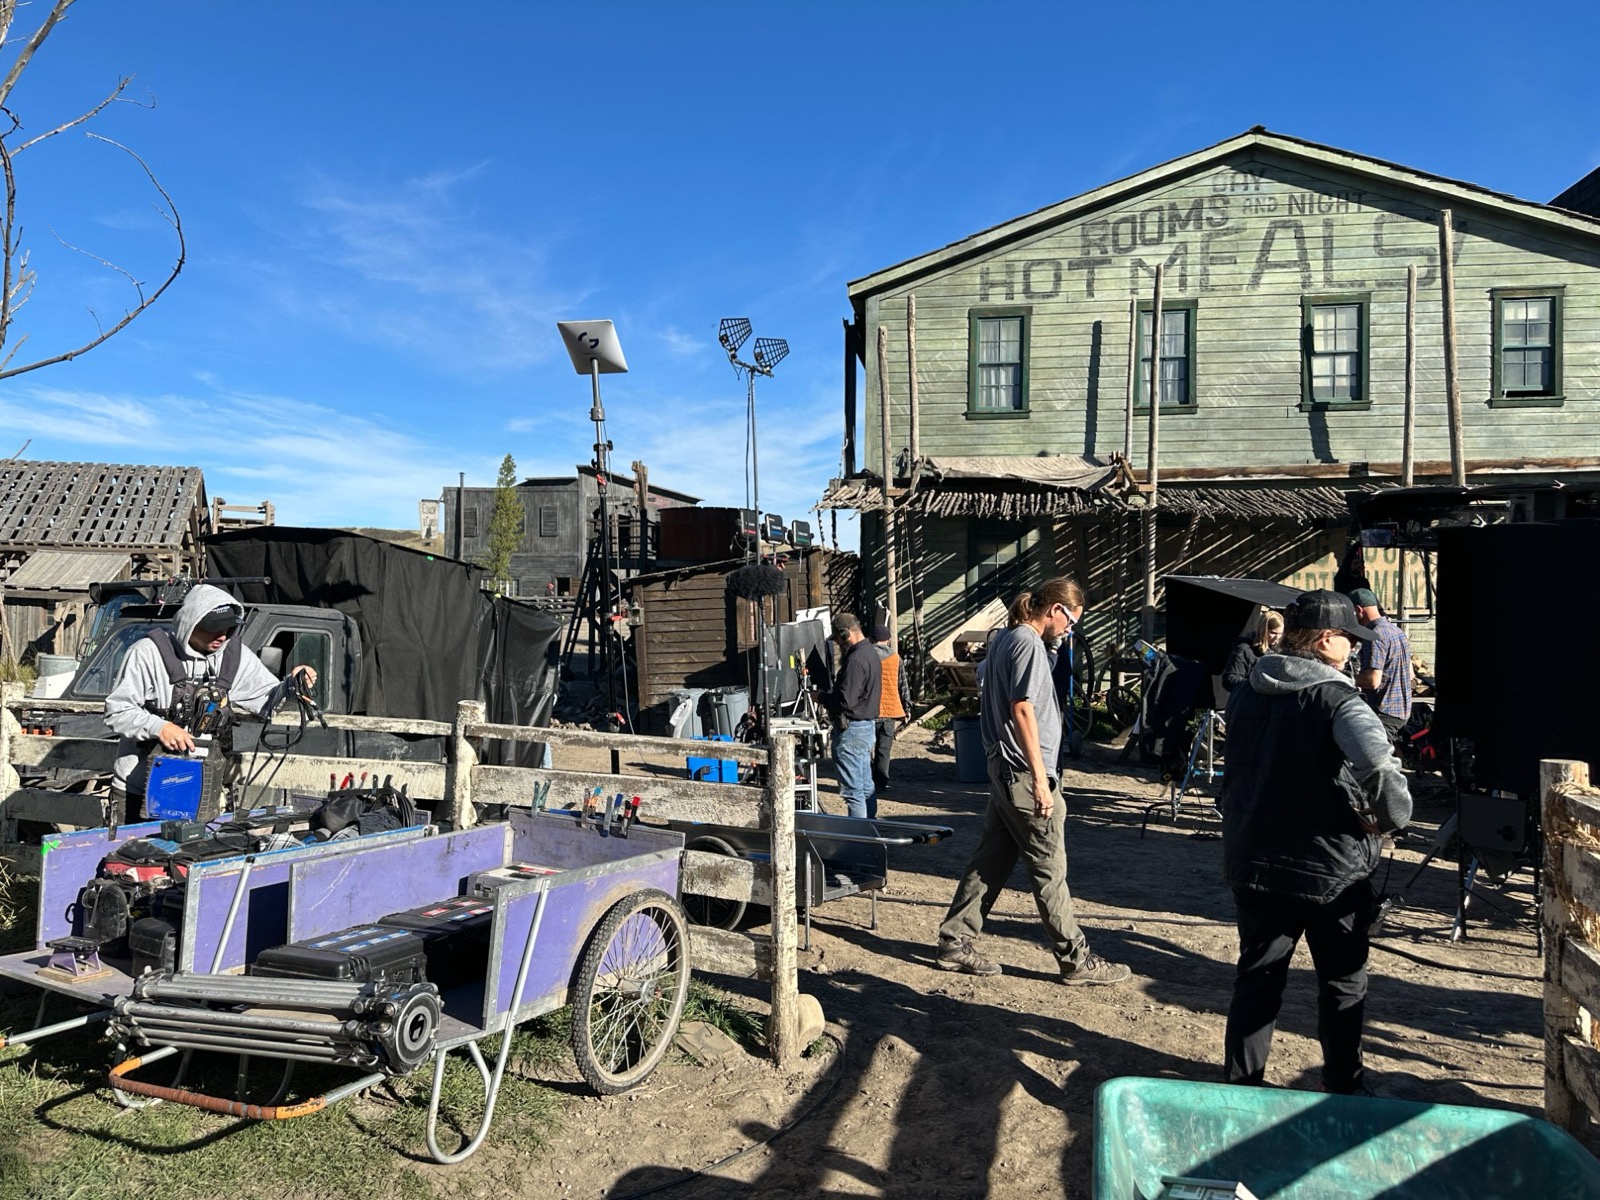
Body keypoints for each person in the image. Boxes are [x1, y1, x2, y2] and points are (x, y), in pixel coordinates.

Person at [1221, 589, 1412, 1096]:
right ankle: (1344, 1089)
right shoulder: (1339, 700)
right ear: (1327, 640)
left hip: (1255, 861)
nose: (1354, 648)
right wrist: (1392, 819)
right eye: (1350, 639)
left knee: (1257, 980)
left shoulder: (1245, 692)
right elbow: (1378, 767)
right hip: (1333, 871)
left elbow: (1233, 776)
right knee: (1342, 983)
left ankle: (1241, 1089)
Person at [934, 577, 1131, 985]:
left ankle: (954, 940)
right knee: (1049, 869)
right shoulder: (1025, 643)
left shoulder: (1010, 639)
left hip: (1005, 769)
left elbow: (1020, 684)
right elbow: (1022, 708)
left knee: (992, 860)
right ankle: (1076, 960)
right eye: (1071, 622)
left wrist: (1054, 647)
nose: (1071, 630)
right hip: (1025, 773)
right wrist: (1041, 781)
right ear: (1055, 610)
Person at [104, 583, 317, 815]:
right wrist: (160, 727)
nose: (222, 635)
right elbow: (118, 710)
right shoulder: (147, 653)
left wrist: (292, 685)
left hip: (203, 791)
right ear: (190, 623)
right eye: (213, 628)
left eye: (228, 628)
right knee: (134, 851)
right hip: (140, 789)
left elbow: (268, 699)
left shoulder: (235, 657)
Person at [822, 613, 881, 820]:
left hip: (852, 730)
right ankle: (868, 833)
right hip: (864, 727)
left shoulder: (855, 659)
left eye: (838, 640)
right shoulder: (870, 653)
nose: (838, 645)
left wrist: (821, 697)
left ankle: (859, 840)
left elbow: (846, 701)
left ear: (846, 633)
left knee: (853, 792)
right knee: (865, 787)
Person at [1349, 587, 1413, 746]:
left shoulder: (1374, 635)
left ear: (1358, 610)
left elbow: (1372, 681)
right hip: (1400, 710)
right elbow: (1411, 675)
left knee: (1374, 763)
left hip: (1383, 712)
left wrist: (1338, 677)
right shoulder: (1395, 630)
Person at [871, 623, 911, 792]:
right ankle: (881, 783)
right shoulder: (896, 658)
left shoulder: (865, 656)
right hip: (890, 711)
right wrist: (907, 707)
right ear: (888, 640)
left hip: (869, 711)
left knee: (865, 748)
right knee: (884, 750)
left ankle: (867, 782)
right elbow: (903, 685)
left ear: (871, 639)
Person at [1222, 609, 1283, 694]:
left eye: (1280, 634)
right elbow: (1230, 679)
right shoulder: (1244, 650)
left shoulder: (1279, 651)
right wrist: (1255, 685)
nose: (1277, 637)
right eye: (1273, 633)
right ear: (1263, 630)